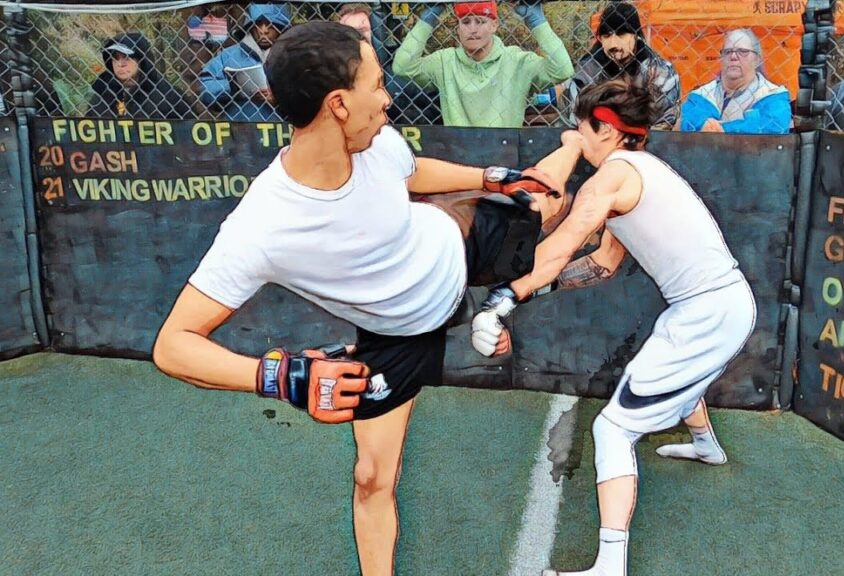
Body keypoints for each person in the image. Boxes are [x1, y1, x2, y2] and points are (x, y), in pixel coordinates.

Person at [152, 22, 570, 576]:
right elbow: (173, 347)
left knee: (549, 199)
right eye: (377, 85)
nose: (389, 98)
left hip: (455, 240)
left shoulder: (375, 141)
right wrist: (283, 377)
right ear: (339, 104)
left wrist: (489, 177)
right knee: (372, 478)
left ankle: (574, 155)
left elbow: (414, 170)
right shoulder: (263, 226)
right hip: (400, 332)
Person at [470, 79, 756, 576]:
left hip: (709, 313)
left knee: (613, 428)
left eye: (580, 128)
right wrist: (541, 290)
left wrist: (504, 297)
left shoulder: (612, 178)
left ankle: (609, 566)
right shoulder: (635, 172)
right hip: (715, 308)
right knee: (672, 372)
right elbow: (601, 263)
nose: (574, 137)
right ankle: (707, 445)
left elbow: (559, 248)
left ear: (603, 129)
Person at [392, 0, 574, 127]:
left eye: (480, 21)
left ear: (494, 25)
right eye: (465, 22)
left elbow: (562, 69)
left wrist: (537, 22)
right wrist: (428, 19)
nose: (472, 29)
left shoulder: (516, 61)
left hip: (504, 152)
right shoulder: (444, 61)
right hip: (458, 153)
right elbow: (403, 67)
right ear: (458, 28)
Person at [563, 2, 680, 129]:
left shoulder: (658, 70)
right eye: (606, 36)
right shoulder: (588, 69)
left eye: (621, 34)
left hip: (643, 141)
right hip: (597, 141)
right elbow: (576, 119)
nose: (613, 44)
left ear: (636, 35)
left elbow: (663, 124)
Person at [336, 3, 442, 125]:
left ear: (374, 33)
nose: (355, 36)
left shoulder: (397, 76)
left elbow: (435, 107)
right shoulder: (330, 75)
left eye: (362, 30)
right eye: (348, 31)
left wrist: (404, 117)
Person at [677, 28, 791, 134]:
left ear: (757, 59)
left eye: (743, 51)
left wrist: (721, 129)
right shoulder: (703, 94)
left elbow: (770, 128)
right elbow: (689, 119)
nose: (733, 56)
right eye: (728, 51)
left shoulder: (773, 95)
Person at [198, 3, 290, 121]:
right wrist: (232, 88)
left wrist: (279, 99)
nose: (264, 30)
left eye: (270, 25)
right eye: (258, 24)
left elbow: (308, 94)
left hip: (282, 131)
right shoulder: (229, 56)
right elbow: (206, 88)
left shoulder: (293, 56)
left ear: (281, 28)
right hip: (238, 131)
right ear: (250, 26)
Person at [88, 32, 191, 119]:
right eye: (115, 58)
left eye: (127, 57)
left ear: (142, 60)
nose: (120, 64)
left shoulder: (167, 94)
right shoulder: (103, 94)